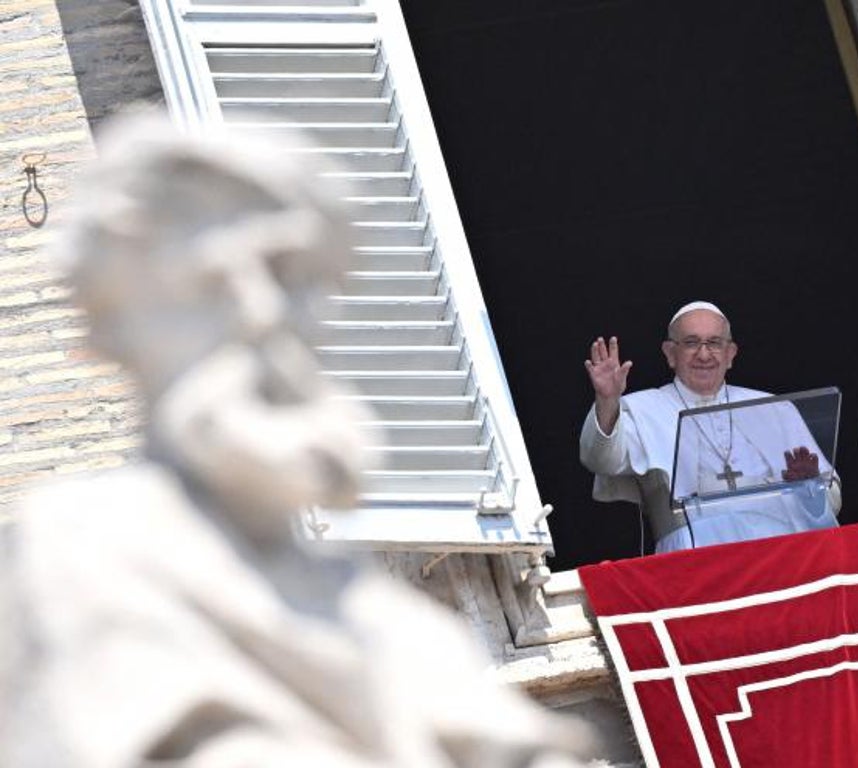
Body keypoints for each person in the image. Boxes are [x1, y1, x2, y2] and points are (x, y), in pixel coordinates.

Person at [0, 114, 592, 768]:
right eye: (205, 283)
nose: (262, 314)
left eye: (288, 274)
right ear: (112, 330)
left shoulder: (400, 627)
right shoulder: (80, 558)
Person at [580, 301, 842, 554]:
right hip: (692, 559)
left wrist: (811, 484)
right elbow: (601, 460)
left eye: (714, 343)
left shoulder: (775, 408)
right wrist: (607, 400)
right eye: (691, 343)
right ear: (670, 354)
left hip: (778, 554)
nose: (704, 355)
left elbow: (832, 502)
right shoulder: (641, 409)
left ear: (730, 354)